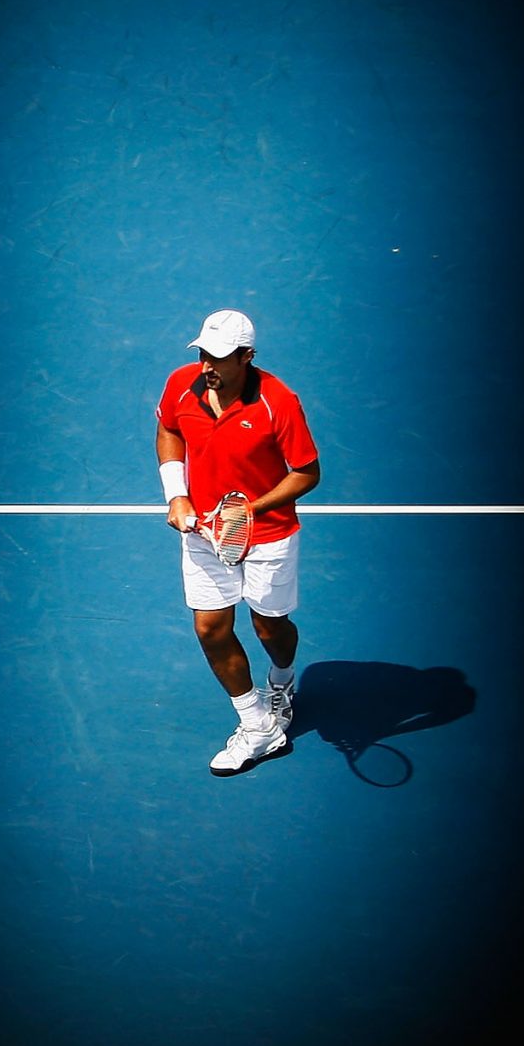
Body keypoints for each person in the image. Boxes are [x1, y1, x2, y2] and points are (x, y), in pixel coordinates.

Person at [156, 308, 319, 774]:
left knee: (270, 628)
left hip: (267, 532)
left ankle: (282, 680)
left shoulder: (278, 401)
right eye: (204, 354)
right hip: (206, 530)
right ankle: (257, 725)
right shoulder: (182, 385)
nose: (207, 365)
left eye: (220, 357)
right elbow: (169, 429)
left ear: (247, 356)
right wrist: (177, 495)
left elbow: (307, 472)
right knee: (210, 628)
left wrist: (251, 509)